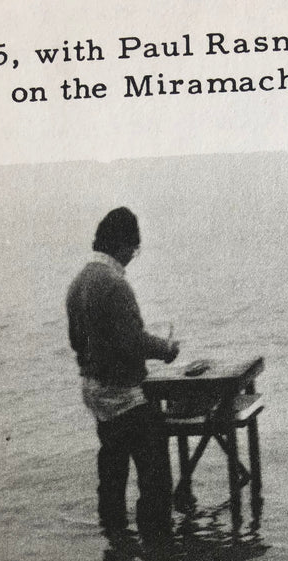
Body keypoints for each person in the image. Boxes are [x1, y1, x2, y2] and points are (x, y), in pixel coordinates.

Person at [66, 207, 180, 537]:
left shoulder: (78, 283)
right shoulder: (115, 285)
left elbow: (76, 341)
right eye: (133, 249)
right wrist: (166, 350)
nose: (133, 256)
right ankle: (158, 548)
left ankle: (115, 551)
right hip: (125, 394)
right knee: (155, 476)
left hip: (94, 391)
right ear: (122, 246)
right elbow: (133, 342)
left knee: (112, 471)